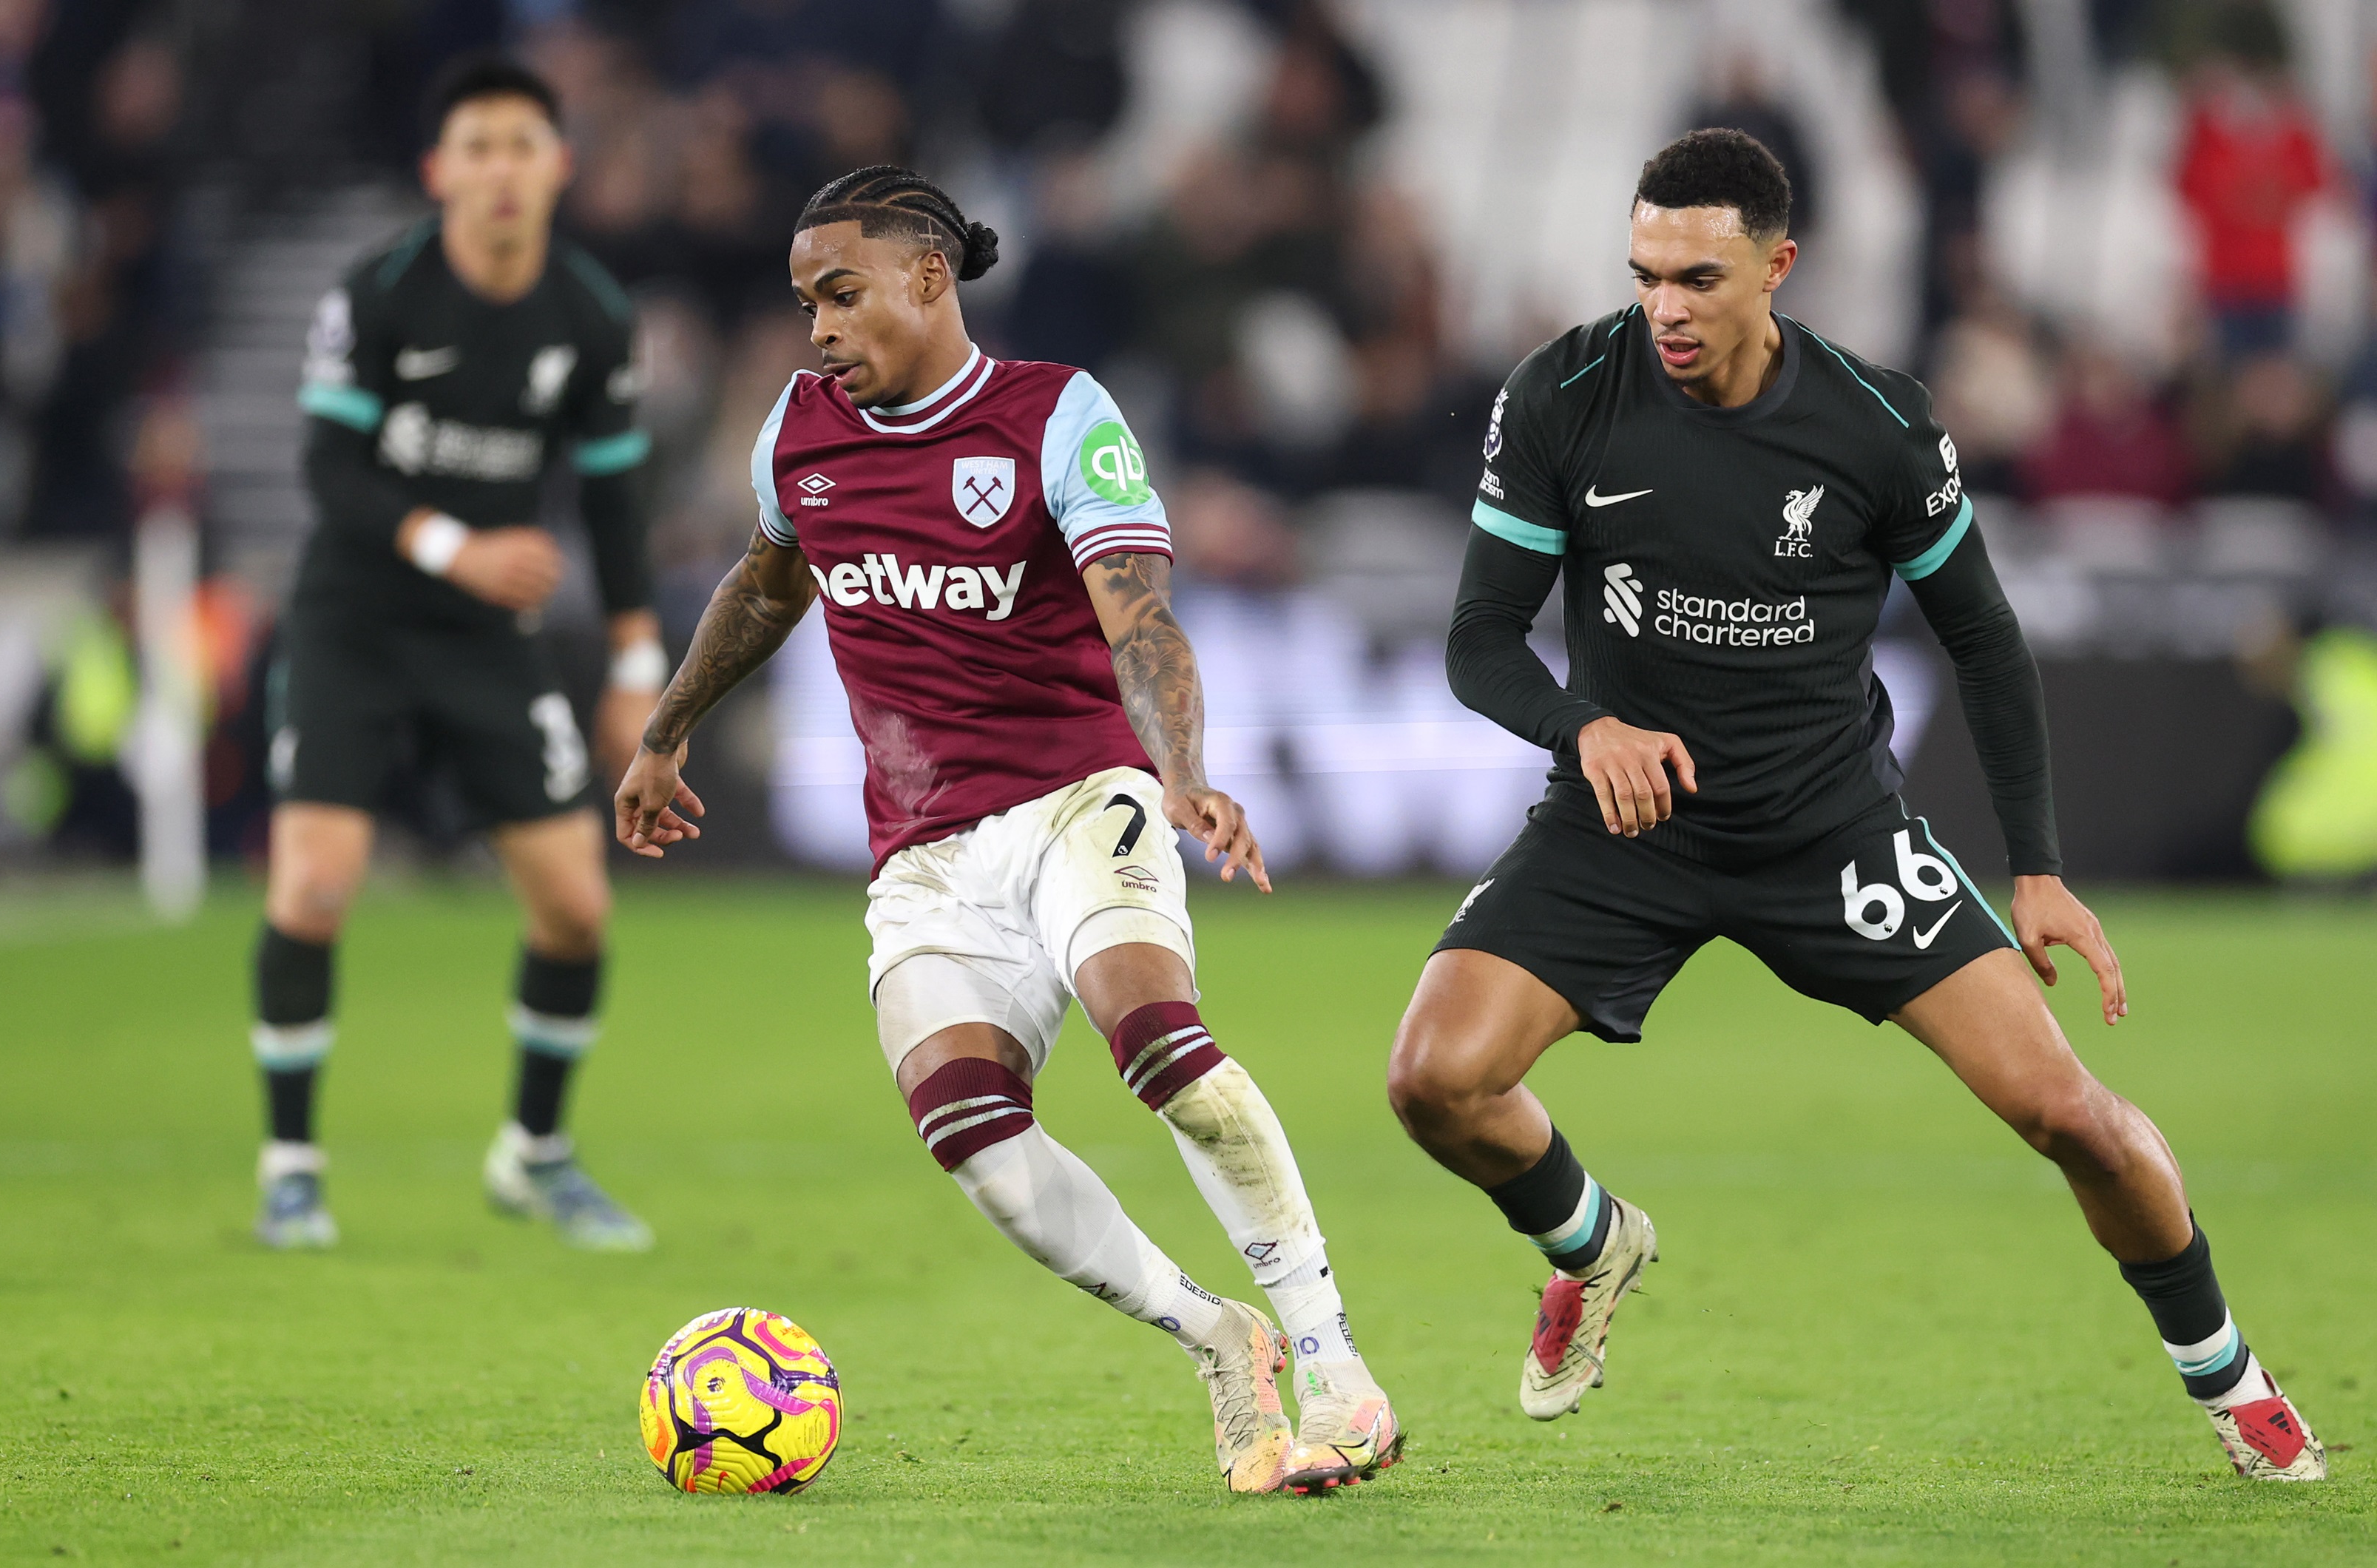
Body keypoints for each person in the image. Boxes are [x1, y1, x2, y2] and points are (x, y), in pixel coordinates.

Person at [1384, 129, 2324, 1483]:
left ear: (1777, 266)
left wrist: (2040, 866)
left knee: (2066, 1113)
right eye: (1644, 273)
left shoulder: (1877, 425)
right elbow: (1478, 639)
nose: (1664, 307)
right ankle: (1591, 1244)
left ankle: (2229, 1380)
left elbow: (1987, 644)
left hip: (1831, 835)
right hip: (1625, 823)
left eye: (1698, 277)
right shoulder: (1563, 392)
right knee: (1434, 1079)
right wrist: (1582, 725)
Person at [613, 166, 1400, 1497]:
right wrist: (666, 727)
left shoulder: (1055, 415)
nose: (816, 329)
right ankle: (1221, 1341)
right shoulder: (797, 435)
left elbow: (1137, 613)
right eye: (806, 302)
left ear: (929, 277)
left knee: (1156, 1045)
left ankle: (1335, 1371)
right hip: (922, 854)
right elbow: (765, 581)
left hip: (1077, 798)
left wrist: (1185, 771)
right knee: (975, 1140)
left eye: (841, 295)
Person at [253, 55, 661, 1253]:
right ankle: (291, 1169)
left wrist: (639, 665)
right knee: (315, 886)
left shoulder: (590, 317)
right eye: (475, 147)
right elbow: (329, 472)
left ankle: (533, 1155)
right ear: (438, 171)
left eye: (519, 146)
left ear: (557, 168)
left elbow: (614, 504)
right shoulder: (375, 293)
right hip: (354, 624)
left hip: (489, 642)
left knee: (577, 908)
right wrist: (456, 547)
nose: (498, 170)